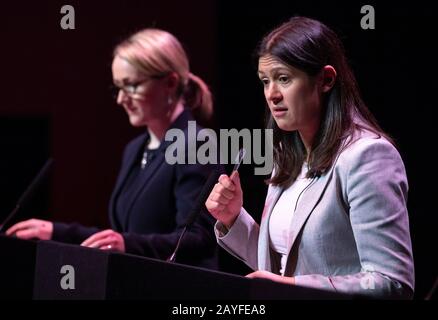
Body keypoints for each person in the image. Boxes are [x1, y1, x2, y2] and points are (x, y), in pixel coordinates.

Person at [205, 16, 414, 298]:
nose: (272, 94)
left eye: (283, 79)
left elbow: (391, 283)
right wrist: (233, 219)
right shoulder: (287, 157)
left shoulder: (368, 156)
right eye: (265, 81)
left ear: (326, 79)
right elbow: (283, 267)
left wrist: (291, 287)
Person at [6, 28, 219, 269]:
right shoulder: (135, 149)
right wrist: (56, 231)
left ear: (169, 83)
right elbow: (121, 236)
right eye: (117, 87)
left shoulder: (198, 144)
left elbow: (199, 240)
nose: (121, 99)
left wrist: (125, 244)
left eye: (131, 86)